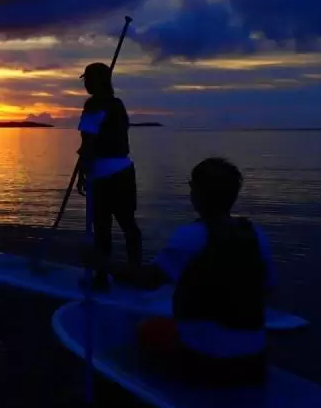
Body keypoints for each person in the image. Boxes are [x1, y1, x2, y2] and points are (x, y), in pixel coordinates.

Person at [109, 157, 273, 386]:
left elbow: (148, 280)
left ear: (198, 194)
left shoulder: (191, 235)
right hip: (255, 360)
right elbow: (266, 289)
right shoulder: (258, 234)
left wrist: (102, 263)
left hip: (209, 360)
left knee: (146, 330)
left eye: (192, 186)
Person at [77, 61, 142, 290]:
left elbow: (89, 142)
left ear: (96, 81)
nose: (85, 84)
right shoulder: (117, 104)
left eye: (88, 80)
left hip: (103, 173)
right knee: (128, 224)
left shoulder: (94, 105)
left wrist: (83, 173)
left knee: (103, 227)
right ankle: (135, 272)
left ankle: (102, 278)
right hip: (125, 170)